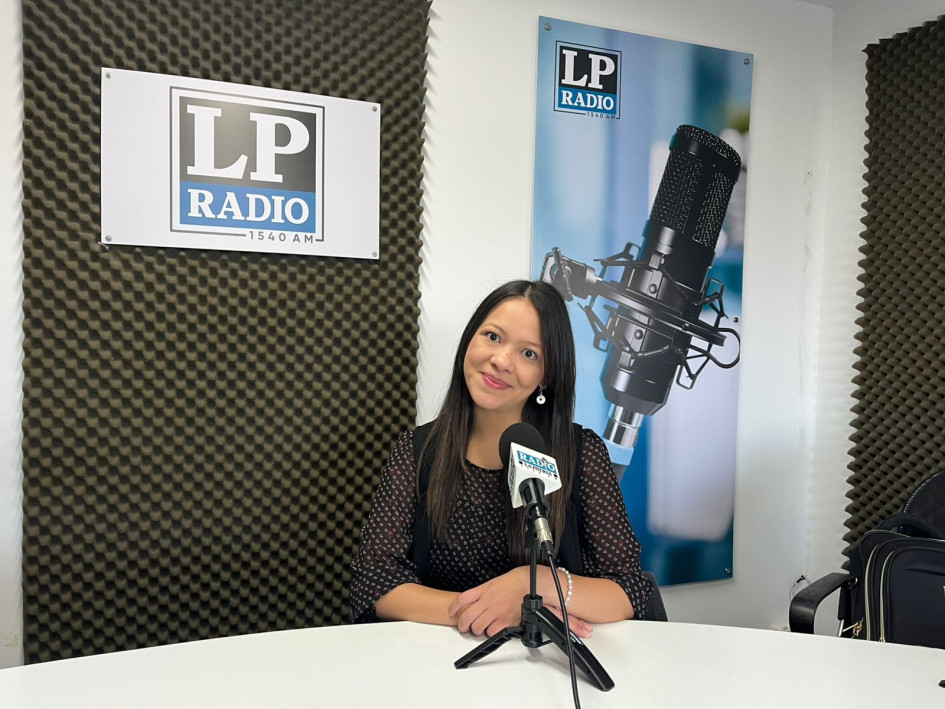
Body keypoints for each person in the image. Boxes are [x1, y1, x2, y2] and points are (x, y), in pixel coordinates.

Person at [349, 279, 652, 638]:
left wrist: (531, 587)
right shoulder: (418, 450)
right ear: (469, 341)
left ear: (546, 377)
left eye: (529, 354)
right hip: (441, 667)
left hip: (544, 667)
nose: (501, 361)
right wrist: (493, 611)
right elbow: (374, 580)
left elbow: (629, 590)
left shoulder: (580, 453)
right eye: (492, 337)